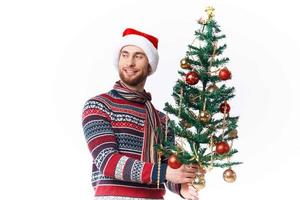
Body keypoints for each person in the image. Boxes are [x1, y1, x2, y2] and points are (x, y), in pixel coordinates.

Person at [82, 28, 199, 200]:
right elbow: (107, 161)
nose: (130, 63)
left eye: (138, 56)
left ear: (149, 64)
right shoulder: (98, 106)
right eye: (125, 54)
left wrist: (182, 185)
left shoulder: (161, 119)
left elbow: (166, 167)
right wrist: (165, 172)